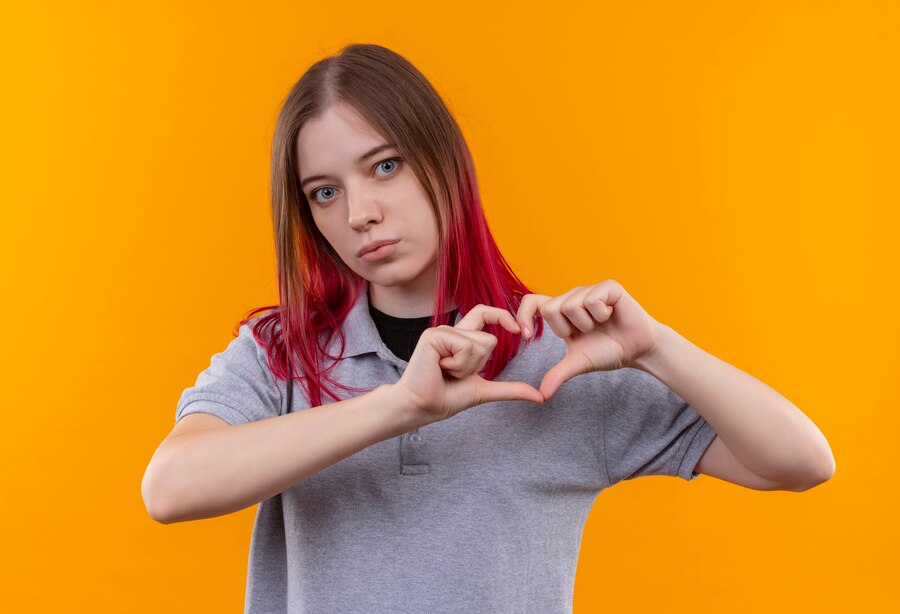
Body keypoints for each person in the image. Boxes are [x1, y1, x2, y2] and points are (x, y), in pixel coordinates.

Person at [141, 43, 835, 613]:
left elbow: (803, 461)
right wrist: (400, 406)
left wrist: (655, 348)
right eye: (325, 192)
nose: (359, 213)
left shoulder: (562, 363)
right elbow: (170, 489)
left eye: (385, 167)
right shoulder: (281, 354)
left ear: (446, 162)